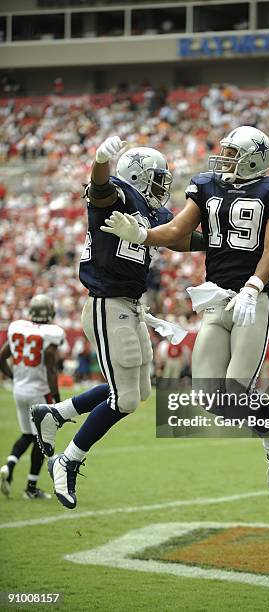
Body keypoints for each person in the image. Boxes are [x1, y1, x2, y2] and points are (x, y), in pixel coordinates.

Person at [101, 125, 269, 499]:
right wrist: (142, 235)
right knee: (212, 399)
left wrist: (253, 287)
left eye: (231, 153)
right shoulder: (208, 185)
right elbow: (178, 229)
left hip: (252, 300)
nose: (223, 158)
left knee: (237, 389)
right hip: (215, 299)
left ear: (254, 158)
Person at [31, 136, 204, 510]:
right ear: (137, 176)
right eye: (157, 178)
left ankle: (55, 413)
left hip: (129, 306)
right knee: (123, 398)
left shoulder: (152, 212)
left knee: (137, 391)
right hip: (107, 305)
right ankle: (68, 459)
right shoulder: (121, 194)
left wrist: (228, 243)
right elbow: (101, 192)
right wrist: (100, 163)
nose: (162, 186)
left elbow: (181, 238)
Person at [0, 295, 63, 499]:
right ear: (50, 312)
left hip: (19, 390)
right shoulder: (51, 333)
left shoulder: (18, 328)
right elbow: (51, 368)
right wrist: (56, 398)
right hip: (39, 391)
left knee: (27, 434)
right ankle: (31, 487)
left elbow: (2, 357)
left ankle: (9, 466)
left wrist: (14, 377)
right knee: (41, 439)